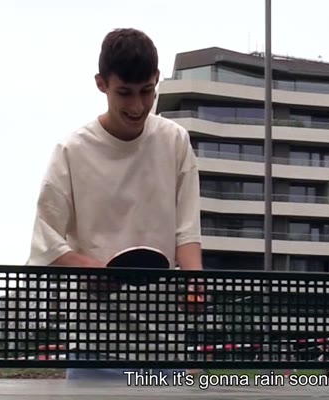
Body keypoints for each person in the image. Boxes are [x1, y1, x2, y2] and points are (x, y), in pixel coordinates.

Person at [25, 28, 203, 381]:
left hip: (165, 344)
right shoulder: (71, 151)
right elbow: (45, 243)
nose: (137, 106)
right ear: (101, 84)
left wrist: (195, 283)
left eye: (146, 91)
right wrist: (92, 270)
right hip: (93, 343)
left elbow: (186, 232)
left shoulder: (175, 141)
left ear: (157, 80)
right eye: (125, 92)